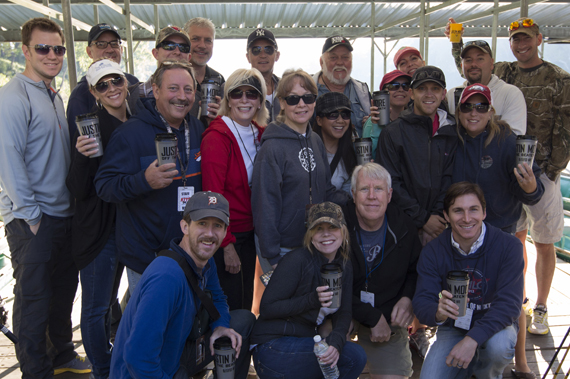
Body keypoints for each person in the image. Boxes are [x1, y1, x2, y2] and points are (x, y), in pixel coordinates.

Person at [448, 16, 570, 342]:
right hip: (505, 173)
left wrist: (553, 170)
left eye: (526, 38)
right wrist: (455, 40)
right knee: (515, 240)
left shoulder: (558, 78)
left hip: (539, 172)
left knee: (543, 242)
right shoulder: (506, 70)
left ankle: (539, 306)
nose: (521, 44)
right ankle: (515, 301)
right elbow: (470, 67)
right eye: (515, 39)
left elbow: (563, 129)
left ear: (539, 39)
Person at [0, 17, 91, 377]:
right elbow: (9, 160)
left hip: (63, 214)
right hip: (32, 219)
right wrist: (31, 216)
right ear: (25, 50)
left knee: (62, 294)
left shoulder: (53, 95)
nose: (52, 55)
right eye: (43, 48)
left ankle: (62, 356)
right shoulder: (13, 96)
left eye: (58, 49)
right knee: (34, 302)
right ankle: (35, 370)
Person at [110, 191, 255, 379]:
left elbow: (218, 298)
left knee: (243, 322)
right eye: (202, 223)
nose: (209, 234)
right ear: (185, 226)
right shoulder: (166, 277)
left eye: (217, 226)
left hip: (175, 355)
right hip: (142, 373)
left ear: (226, 231)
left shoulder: (205, 261)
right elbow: (137, 358)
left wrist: (220, 326)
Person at [94, 60, 204, 292]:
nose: (181, 96)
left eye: (188, 89)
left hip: (188, 253)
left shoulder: (197, 129)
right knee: (150, 325)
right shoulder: (130, 134)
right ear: (155, 90)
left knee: (183, 323)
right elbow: (104, 186)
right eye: (173, 88)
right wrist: (144, 181)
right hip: (147, 258)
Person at [65, 59, 141, 379]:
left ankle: (123, 359)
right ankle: (103, 369)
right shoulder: (90, 125)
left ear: (125, 83)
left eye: (116, 81)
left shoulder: (139, 120)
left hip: (130, 225)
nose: (111, 88)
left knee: (124, 301)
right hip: (99, 230)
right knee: (96, 308)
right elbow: (78, 188)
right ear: (94, 92)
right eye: (102, 85)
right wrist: (82, 156)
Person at [376, 65, 458, 358]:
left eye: (435, 89)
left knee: (435, 280)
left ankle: (427, 332)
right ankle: (402, 337)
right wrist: (423, 220)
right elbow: (391, 181)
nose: (429, 94)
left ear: (443, 93)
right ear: (411, 93)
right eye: (422, 88)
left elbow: (451, 177)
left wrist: (436, 218)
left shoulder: (451, 131)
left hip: (439, 222)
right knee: (406, 278)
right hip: (404, 223)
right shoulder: (394, 132)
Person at [413, 182, 524, 379]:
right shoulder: (433, 251)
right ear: (446, 216)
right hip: (454, 327)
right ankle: (469, 364)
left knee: (499, 347)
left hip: (495, 325)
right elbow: (422, 303)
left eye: (473, 210)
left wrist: (471, 340)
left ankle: (485, 374)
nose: (466, 218)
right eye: (458, 211)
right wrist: (437, 313)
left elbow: (509, 305)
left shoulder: (509, 246)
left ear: (484, 212)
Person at [251, 202, 367, 379]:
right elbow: (267, 308)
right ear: (310, 235)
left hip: (303, 342)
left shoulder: (344, 264)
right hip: (271, 346)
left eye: (332, 227)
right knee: (353, 356)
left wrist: (336, 344)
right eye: (318, 228)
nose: (326, 233)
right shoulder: (297, 260)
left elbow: (344, 312)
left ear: (343, 231)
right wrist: (312, 299)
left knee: (347, 356)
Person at [251, 68, 350, 269]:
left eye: (308, 98)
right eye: (293, 99)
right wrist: (272, 256)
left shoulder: (315, 140)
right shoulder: (272, 148)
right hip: (284, 249)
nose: (302, 104)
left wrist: (356, 199)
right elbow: (265, 205)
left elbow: (326, 189)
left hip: (315, 243)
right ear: (281, 102)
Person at [344, 163, 421, 379]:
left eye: (378, 189)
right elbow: (329, 284)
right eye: (364, 189)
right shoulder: (337, 225)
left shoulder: (404, 227)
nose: (371, 196)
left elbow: (416, 271)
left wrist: (407, 299)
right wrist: (370, 316)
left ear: (389, 195)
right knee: (329, 347)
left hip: (387, 317)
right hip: (345, 311)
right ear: (353, 194)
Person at [201, 68, 269, 311]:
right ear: (227, 99)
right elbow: (213, 196)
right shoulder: (217, 137)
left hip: (252, 233)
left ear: (260, 100)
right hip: (229, 237)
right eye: (236, 93)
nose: (243, 99)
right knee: (232, 306)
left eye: (251, 94)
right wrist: (226, 244)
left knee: (247, 300)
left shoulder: (261, 134)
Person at [452, 83, 543, 233]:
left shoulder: (507, 140)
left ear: (490, 113)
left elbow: (534, 194)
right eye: (467, 107)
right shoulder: (449, 140)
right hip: (459, 230)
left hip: (500, 230)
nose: (473, 113)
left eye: (481, 107)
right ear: (459, 112)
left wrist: (530, 188)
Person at [67, 23, 139, 143]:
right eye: (101, 44)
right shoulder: (79, 95)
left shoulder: (134, 81)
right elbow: (79, 145)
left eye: (114, 43)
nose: (110, 49)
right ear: (89, 52)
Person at [444, 39, 527, 135]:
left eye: (480, 59)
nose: (473, 64)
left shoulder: (510, 94)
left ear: (491, 63)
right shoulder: (451, 95)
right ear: (461, 66)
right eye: (468, 60)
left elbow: (513, 139)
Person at [313, 36, 371, 137]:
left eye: (345, 57)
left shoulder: (363, 91)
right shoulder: (307, 91)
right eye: (333, 57)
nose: (340, 63)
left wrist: (370, 123)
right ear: (321, 62)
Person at [313, 91, 357, 193]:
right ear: (319, 120)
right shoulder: (307, 152)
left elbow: (349, 196)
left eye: (345, 115)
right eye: (333, 114)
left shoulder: (350, 154)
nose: (340, 120)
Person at [363, 70, 412, 158]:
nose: (401, 89)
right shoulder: (372, 122)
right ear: (383, 93)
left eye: (406, 86)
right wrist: (376, 127)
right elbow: (368, 158)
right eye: (394, 86)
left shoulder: (414, 121)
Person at [184, 18, 225, 120]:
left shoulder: (219, 79)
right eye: (195, 39)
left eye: (208, 40)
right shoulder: (173, 77)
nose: (202, 45)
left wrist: (222, 115)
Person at [137, 26, 191, 98]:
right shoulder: (133, 96)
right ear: (156, 53)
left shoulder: (198, 101)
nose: (177, 52)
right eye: (169, 45)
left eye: (183, 47)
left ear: (189, 57)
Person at [246, 28, 281, 122]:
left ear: (277, 55)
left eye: (268, 49)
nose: (262, 55)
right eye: (256, 50)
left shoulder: (287, 87)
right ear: (248, 57)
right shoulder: (234, 89)